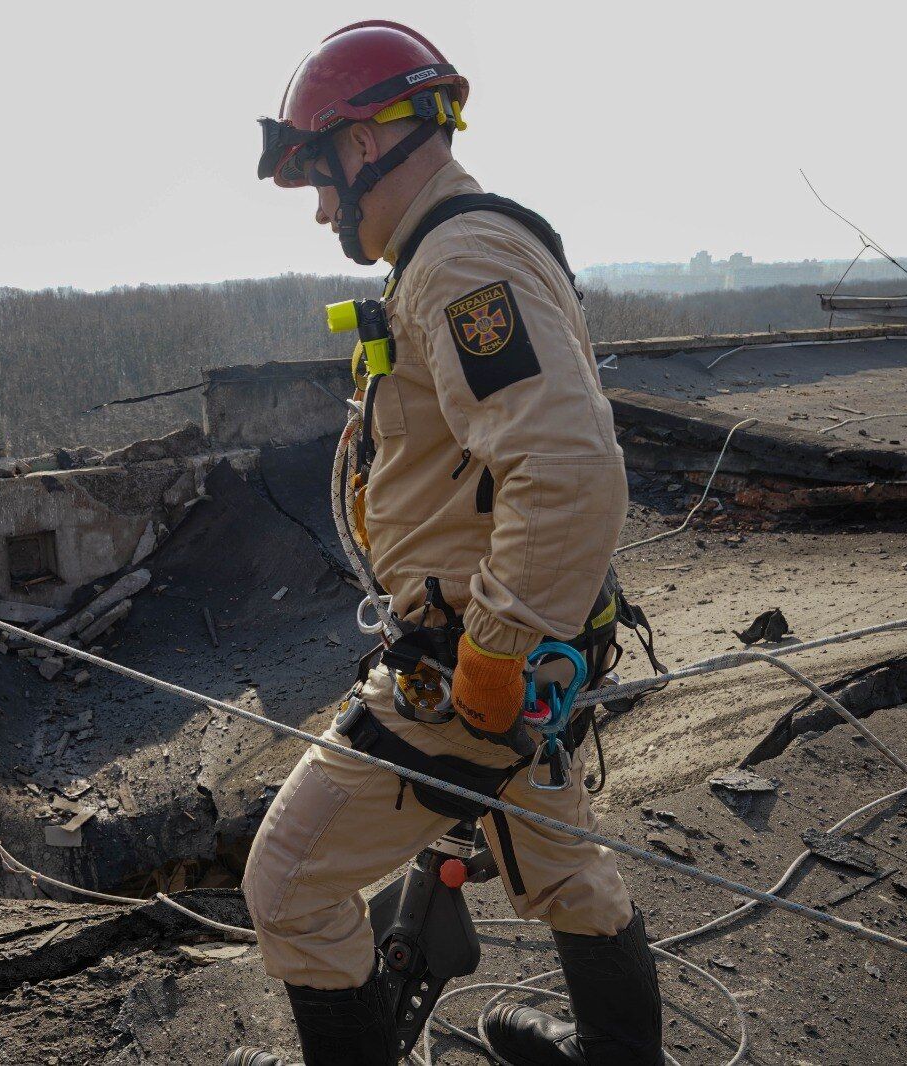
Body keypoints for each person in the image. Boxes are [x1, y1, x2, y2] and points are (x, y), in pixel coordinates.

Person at [232, 22, 663, 1066]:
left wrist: (496, 646)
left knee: (287, 883)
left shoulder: (458, 260)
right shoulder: (453, 252)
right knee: (562, 861)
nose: (327, 208)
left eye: (324, 176)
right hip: (510, 650)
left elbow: (564, 467)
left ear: (375, 135)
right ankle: (618, 1054)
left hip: (471, 661)